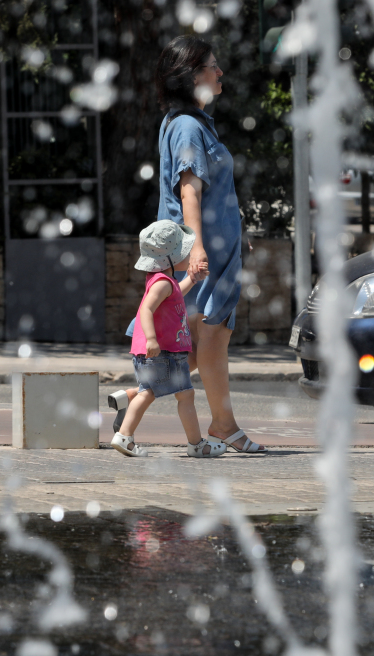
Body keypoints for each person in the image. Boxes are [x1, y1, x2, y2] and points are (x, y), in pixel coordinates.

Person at [108, 34, 267, 455]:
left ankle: (137, 394)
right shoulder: (188, 127)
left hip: (209, 250)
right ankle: (224, 425)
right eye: (212, 65)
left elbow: (211, 192)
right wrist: (198, 248)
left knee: (192, 343)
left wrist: (236, 232)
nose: (220, 72)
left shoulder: (187, 123)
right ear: (192, 75)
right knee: (213, 337)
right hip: (203, 256)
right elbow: (189, 192)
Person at [110, 220, 224, 458]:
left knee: (147, 392)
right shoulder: (162, 282)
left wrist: (192, 279)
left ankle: (125, 436)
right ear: (169, 258)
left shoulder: (162, 280)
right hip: (164, 352)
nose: (188, 255)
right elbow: (146, 310)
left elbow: (174, 296)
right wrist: (152, 339)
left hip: (158, 351)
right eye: (183, 251)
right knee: (183, 395)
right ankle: (196, 445)